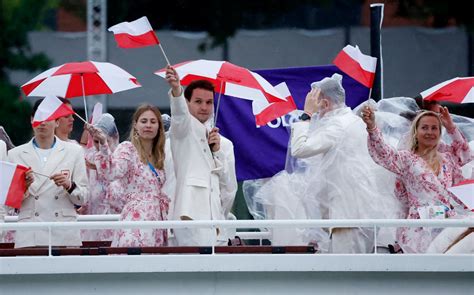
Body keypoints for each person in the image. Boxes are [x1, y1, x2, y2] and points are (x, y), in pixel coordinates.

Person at [289, 73, 389, 253]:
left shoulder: (336, 125)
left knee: (347, 270)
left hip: (346, 213)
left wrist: (306, 115)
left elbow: (299, 149)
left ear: (325, 104)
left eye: (317, 104)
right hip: (355, 210)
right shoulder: (352, 120)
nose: (317, 111)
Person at [361, 107, 471, 253]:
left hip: (446, 223)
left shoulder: (448, 159)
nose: (430, 132)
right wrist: (372, 127)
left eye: (434, 128)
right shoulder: (406, 159)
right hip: (419, 227)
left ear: (439, 133)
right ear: (416, 132)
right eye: (425, 128)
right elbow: (384, 153)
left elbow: (465, 155)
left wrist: (450, 127)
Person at [165, 66, 238, 246]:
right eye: (198, 101)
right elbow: (180, 115)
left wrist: (217, 152)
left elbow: (229, 189)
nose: (204, 107)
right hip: (189, 216)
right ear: (187, 102)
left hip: (217, 222)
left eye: (209, 102)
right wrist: (176, 90)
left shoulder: (225, 144)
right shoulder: (181, 131)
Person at [7, 99, 88, 248]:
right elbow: (9, 204)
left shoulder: (74, 152)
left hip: (63, 233)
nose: (42, 123)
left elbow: (83, 198)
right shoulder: (14, 155)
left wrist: (68, 185)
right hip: (30, 234)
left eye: (47, 118)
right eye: (38, 118)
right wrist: (23, 188)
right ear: (31, 120)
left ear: (57, 122)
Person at [87, 104, 170, 247]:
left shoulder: (162, 153)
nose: (148, 125)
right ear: (135, 125)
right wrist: (103, 143)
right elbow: (111, 173)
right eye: (143, 121)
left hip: (159, 220)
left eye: (153, 121)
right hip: (136, 221)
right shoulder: (128, 148)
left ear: (159, 127)